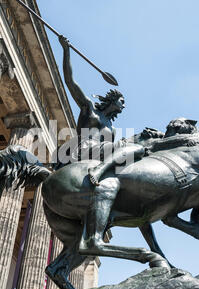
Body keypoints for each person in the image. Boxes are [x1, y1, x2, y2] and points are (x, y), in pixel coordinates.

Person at [58, 35, 146, 186]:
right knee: (128, 148)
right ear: (114, 98)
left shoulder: (112, 129)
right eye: (122, 102)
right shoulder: (89, 108)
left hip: (97, 156)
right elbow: (69, 81)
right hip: (83, 147)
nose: (123, 106)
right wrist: (66, 51)